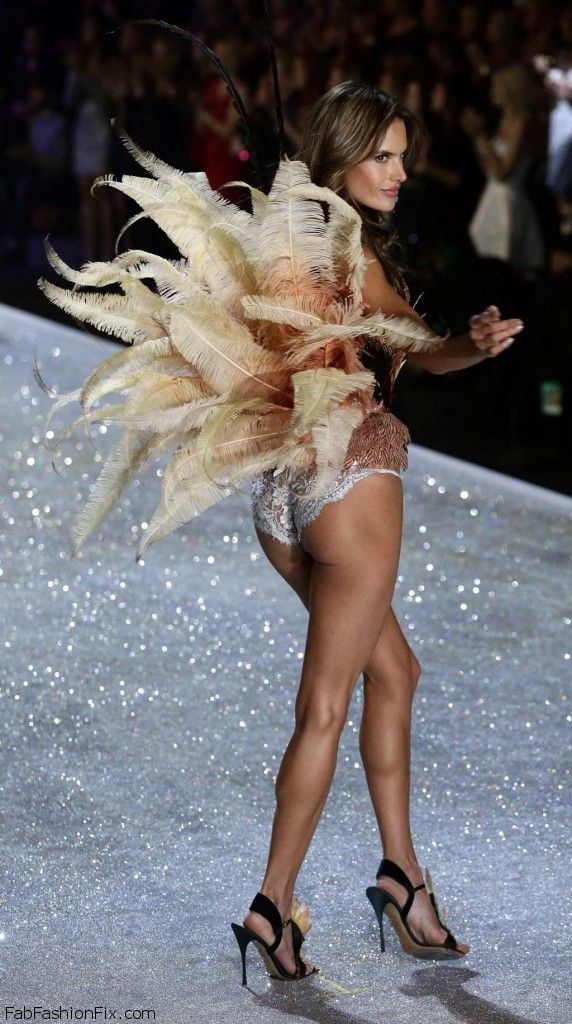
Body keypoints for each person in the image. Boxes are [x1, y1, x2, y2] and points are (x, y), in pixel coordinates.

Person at [231, 81, 524, 983]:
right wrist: (470, 344)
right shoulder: (347, 247)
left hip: (283, 500)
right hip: (351, 481)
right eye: (383, 156)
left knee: (394, 672)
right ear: (342, 157)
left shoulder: (286, 240)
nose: (398, 172)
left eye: (402, 156)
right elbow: (417, 344)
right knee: (325, 706)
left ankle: (403, 876)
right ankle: (270, 906)